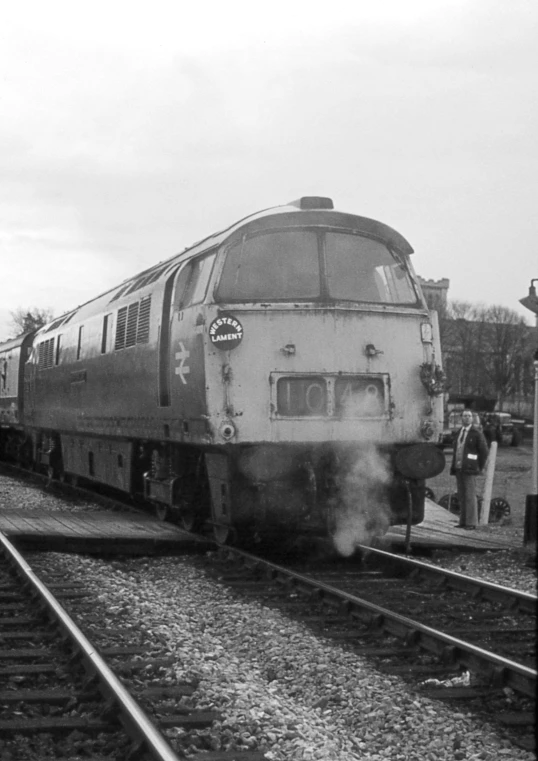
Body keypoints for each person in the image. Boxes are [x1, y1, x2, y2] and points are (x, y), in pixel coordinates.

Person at [450, 409, 489, 529]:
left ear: (472, 418)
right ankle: (463, 522)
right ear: (461, 418)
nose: (467, 418)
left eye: (469, 416)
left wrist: (479, 466)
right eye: (465, 416)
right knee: (461, 495)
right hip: (458, 468)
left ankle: (471, 523)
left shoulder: (476, 433)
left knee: (470, 495)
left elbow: (484, 451)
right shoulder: (459, 432)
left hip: (470, 469)